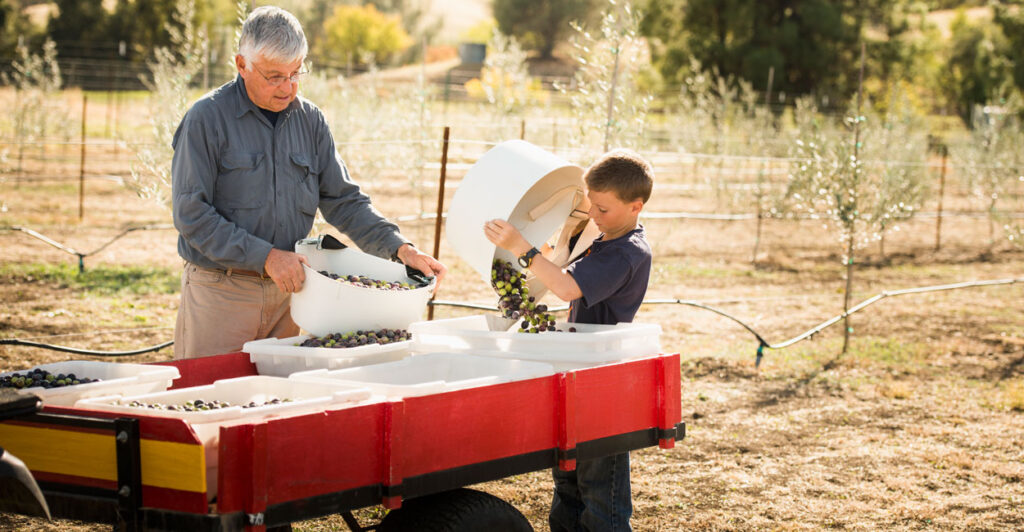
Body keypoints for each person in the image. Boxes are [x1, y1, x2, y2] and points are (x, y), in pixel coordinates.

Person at [171, 6, 445, 359]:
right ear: (241, 65)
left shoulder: (311, 120)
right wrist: (266, 257)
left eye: (296, 73)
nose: (288, 87)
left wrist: (401, 250)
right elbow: (192, 215)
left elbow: (344, 201)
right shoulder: (206, 120)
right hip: (223, 293)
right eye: (274, 76)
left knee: (279, 402)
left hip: (294, 295)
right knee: (210, 396)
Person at [484, 148, 654, 532]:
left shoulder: (625, 253)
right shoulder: (606, 239)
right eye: (591, 205)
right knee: (568, 481)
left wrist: (520, 248)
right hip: (580, 370)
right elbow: (559, 264)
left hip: (603, 383)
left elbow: (566, 287)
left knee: (601, 494)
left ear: (636, 206)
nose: (593, 215)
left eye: (602, 209)